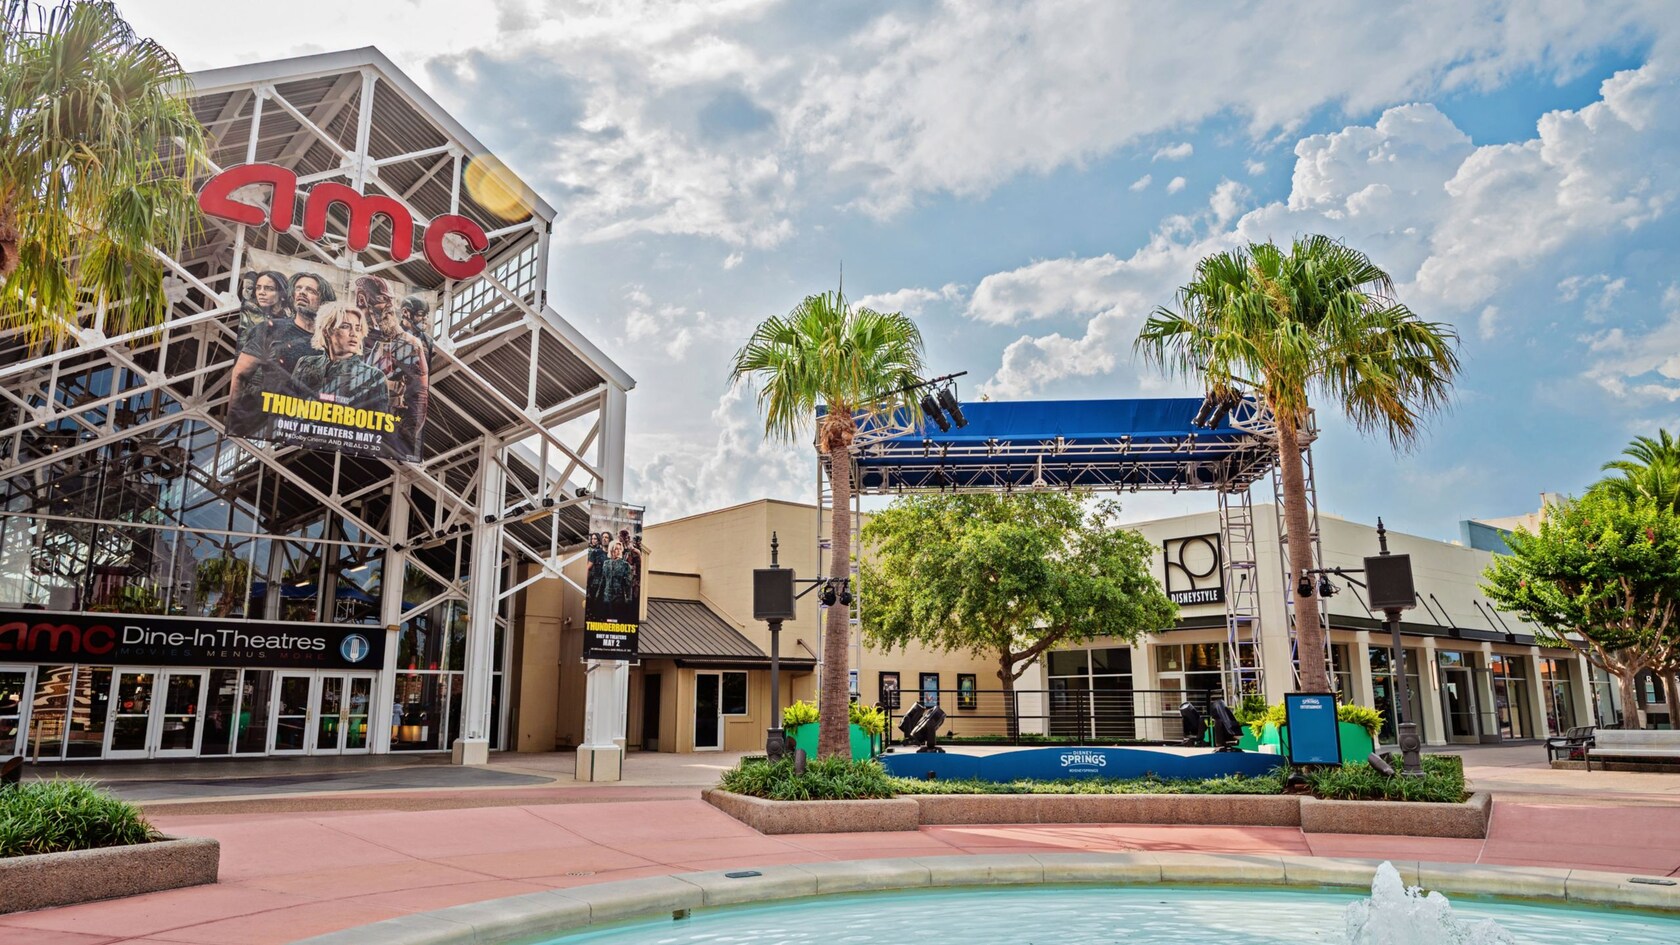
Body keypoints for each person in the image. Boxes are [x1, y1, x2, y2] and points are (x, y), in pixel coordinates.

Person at [227, 270, 337, 436]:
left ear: (324, 301)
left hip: (306, 429)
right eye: (298, 288)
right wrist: (233, 418)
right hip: (263, 423)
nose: (302, 292)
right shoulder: (270, 329)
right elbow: (240, 375)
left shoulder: (334, 341)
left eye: (311, 291)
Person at [357, 276, 429, 460]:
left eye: (390, 300)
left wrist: (406, 436)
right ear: (362, 300)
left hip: (386, 430)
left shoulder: (406, 343)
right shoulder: (346, 335)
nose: (389, 306)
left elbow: (419, 393)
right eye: (382, 299)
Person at [292, 302, 391, 415]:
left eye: (358, 328)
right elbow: (287, 410)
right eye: (345, 326)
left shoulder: (373, 376)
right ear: (327, 331)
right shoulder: (305, 364)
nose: (354, 333)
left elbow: (378, 427)